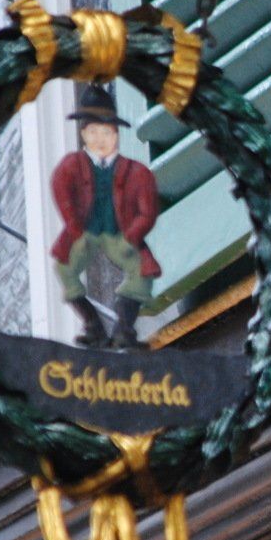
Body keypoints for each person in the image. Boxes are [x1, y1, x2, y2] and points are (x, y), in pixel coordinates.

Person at [51, 85, 160, 349]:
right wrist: (76, 230)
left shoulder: (137, 172)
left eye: (107, 132)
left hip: (120, 234)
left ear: (116, 135)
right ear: (84, 134)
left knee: (140, 273)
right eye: (94, 132)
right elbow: (60, 189)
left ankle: (124, 330)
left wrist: (131, 236)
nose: (101, 139)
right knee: (64, 267)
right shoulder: (71, 167)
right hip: (85, 232)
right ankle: (93, 326)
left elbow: (147, 212)